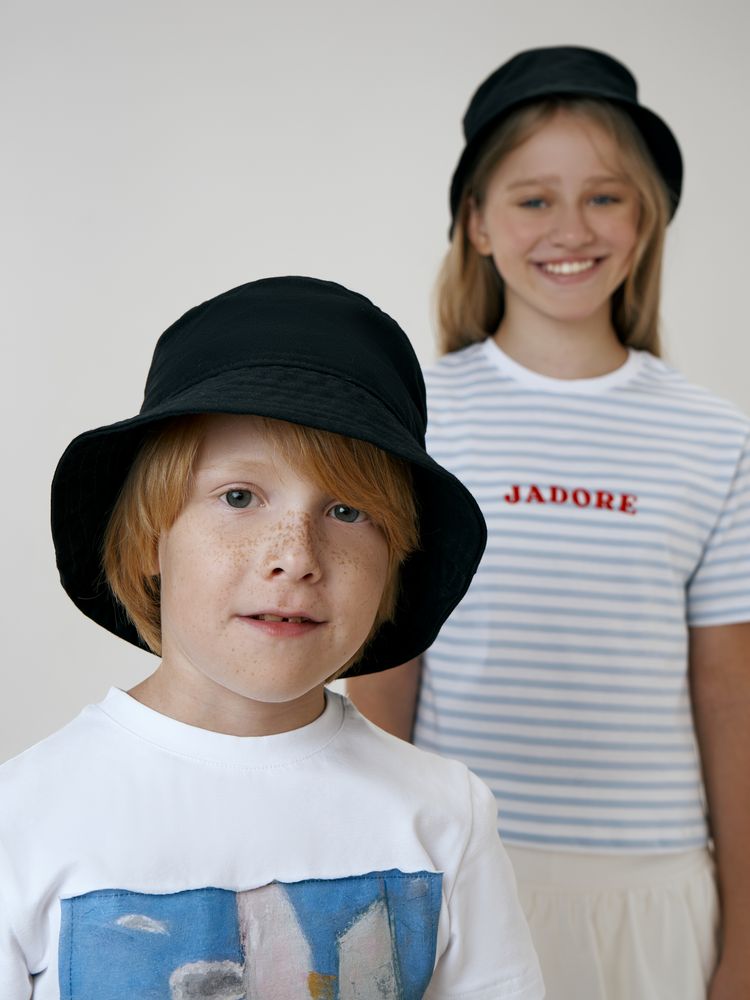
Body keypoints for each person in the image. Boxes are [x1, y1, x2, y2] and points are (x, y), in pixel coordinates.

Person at [0, 277, 545, 999]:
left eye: (347, 510)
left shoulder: (446, 814)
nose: (296, 554)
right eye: (239, 497)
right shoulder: (25, 817)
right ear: (149, 538)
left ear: (395, 563)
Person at [347, 46, 750, 999]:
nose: (572, 228)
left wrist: (744, 937)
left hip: (656, 893)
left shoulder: (716, 436)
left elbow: (730, 692)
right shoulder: (419, 418)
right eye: (534, 199)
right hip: (461, 872)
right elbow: (384, 669)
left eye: (605, 196)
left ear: (646, 218)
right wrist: (373, 878)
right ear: (477, 223)